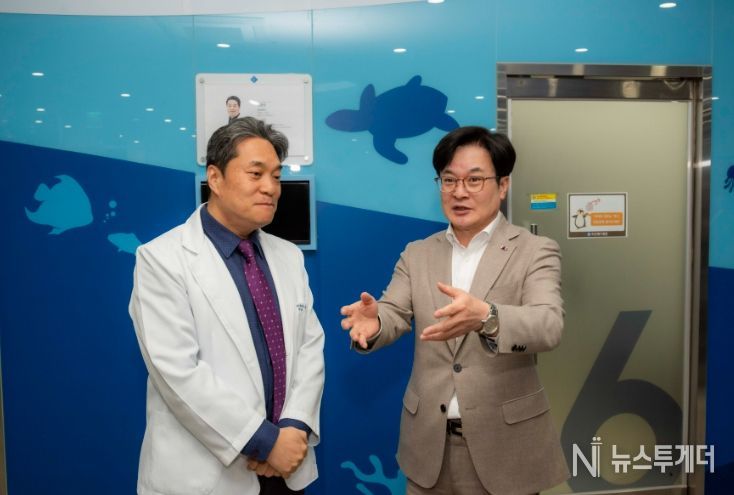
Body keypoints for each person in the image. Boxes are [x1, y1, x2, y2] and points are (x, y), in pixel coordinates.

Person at [341, 126, 569, 495]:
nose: (459, 192)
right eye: (449, 180)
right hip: (429, 447)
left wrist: (487, 317)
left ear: (503, 185)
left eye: (474, 180)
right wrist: (376, 323)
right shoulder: (418, 253)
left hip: (506, 448)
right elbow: (393, 312)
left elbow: (548, 324)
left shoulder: (534, 250)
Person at [130, 117, 324, 495]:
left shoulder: (288, 256)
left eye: (276, 176)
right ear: (215, 178)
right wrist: (265, 441)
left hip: (287, 467)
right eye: (256, 173)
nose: (271, 188)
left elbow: (309, 347)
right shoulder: (161, 259)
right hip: (207, 476)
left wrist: (295, 426)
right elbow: (177, 372)